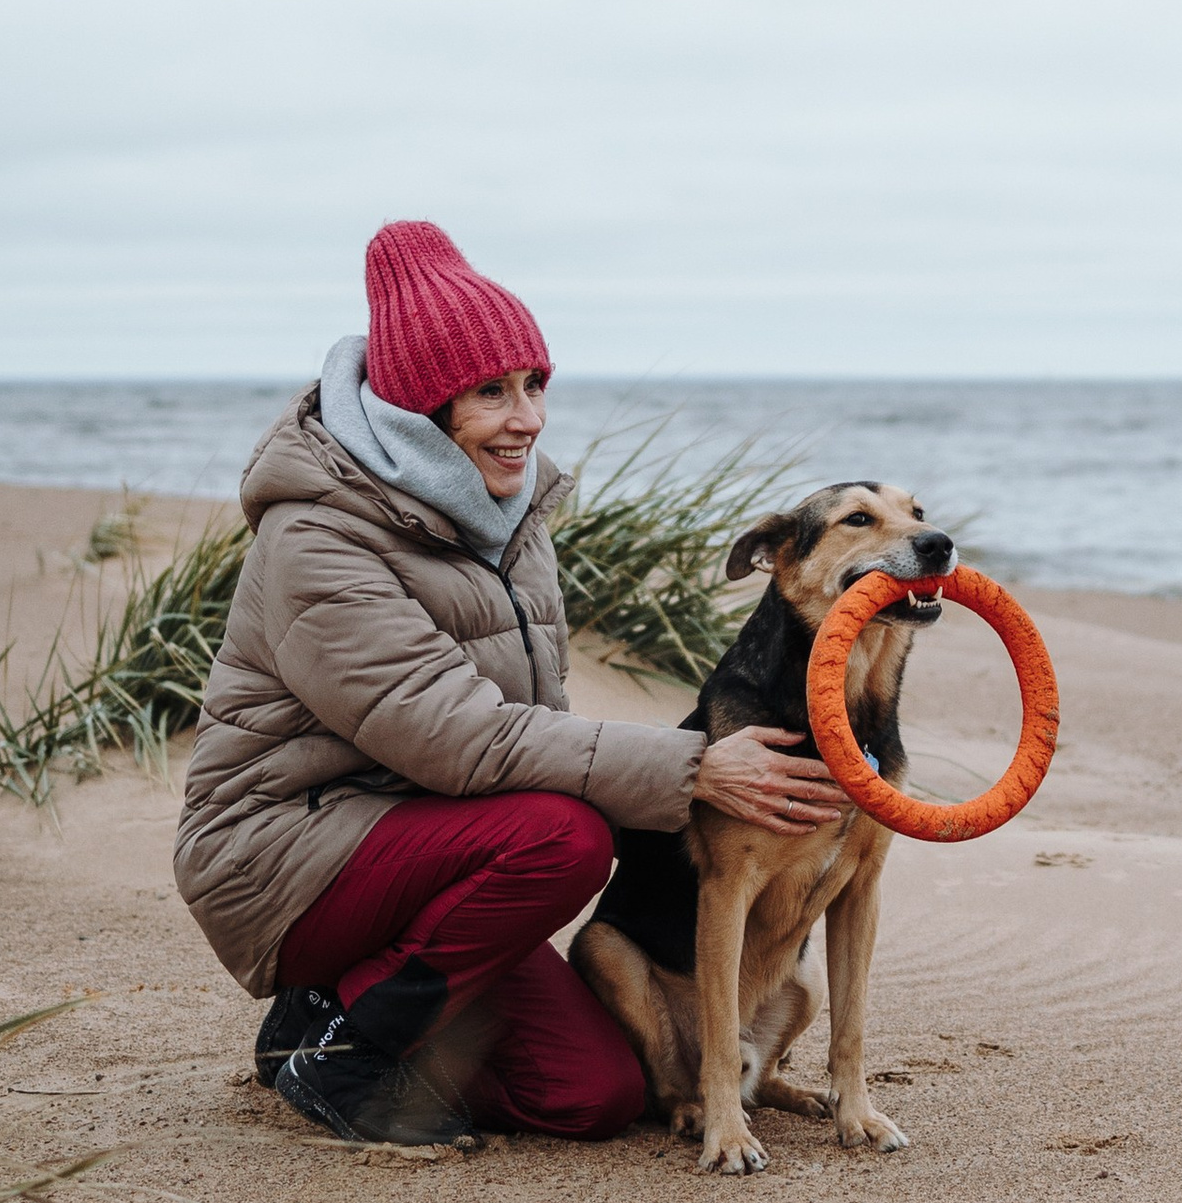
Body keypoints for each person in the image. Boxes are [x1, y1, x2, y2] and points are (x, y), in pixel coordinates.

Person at [172, 220, 841, 1146]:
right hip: (284, 852)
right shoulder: (317, 538)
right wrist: (693, 770)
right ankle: (341, 1044)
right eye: (491, 392)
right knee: (567, 835)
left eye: (534, 386)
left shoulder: (506, 515)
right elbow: (456, 737)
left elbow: (534, 727)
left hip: (442, 858)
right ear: (419, 407)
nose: (526, 417)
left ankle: (326, 1016)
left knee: (593, 1097)